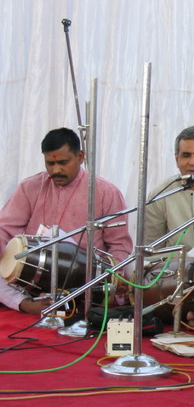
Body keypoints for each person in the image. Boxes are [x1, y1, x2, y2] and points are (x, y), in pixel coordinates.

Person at [0, 128, 133, 314]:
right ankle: (24, 303)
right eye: (50, 163)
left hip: (86, 278)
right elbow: (4, 229)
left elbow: (119, 245)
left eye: (63, 163)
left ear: (80, 157)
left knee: (131, 271)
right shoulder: (30, 187)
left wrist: (114, 277)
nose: (56, 170)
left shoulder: (106, 192)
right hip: (34, 277)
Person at [144, 125, 194, 250]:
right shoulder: (160, 195)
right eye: (186, 155)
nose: (192, 162)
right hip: (175, 261)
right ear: (177, 159)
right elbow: (151, 250)